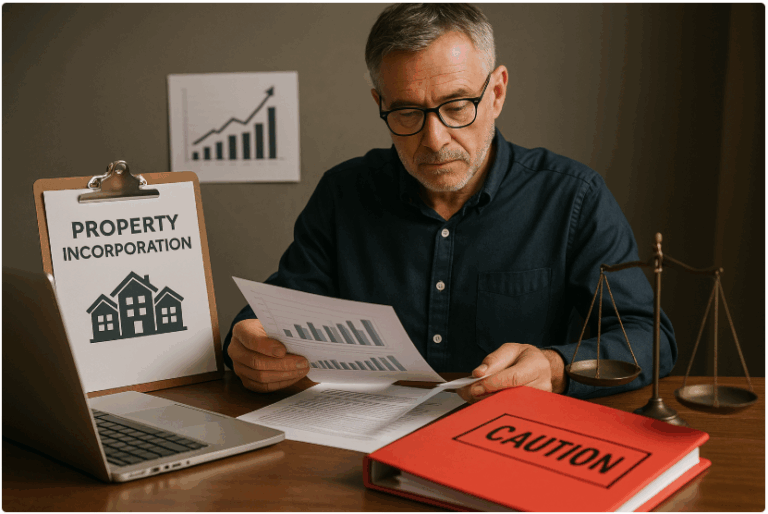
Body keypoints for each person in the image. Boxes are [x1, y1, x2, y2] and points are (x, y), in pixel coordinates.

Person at [223, 3, 676, 403]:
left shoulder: (574, 197)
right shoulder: (343, 194)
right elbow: (279, 309)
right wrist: (247, 340)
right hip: (357, 447)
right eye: (406, 113)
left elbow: (650, 338)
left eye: (457, 105)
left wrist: (556, 368)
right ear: (380, 103)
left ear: (496, 92)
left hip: (510, 443)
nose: (434, 140)